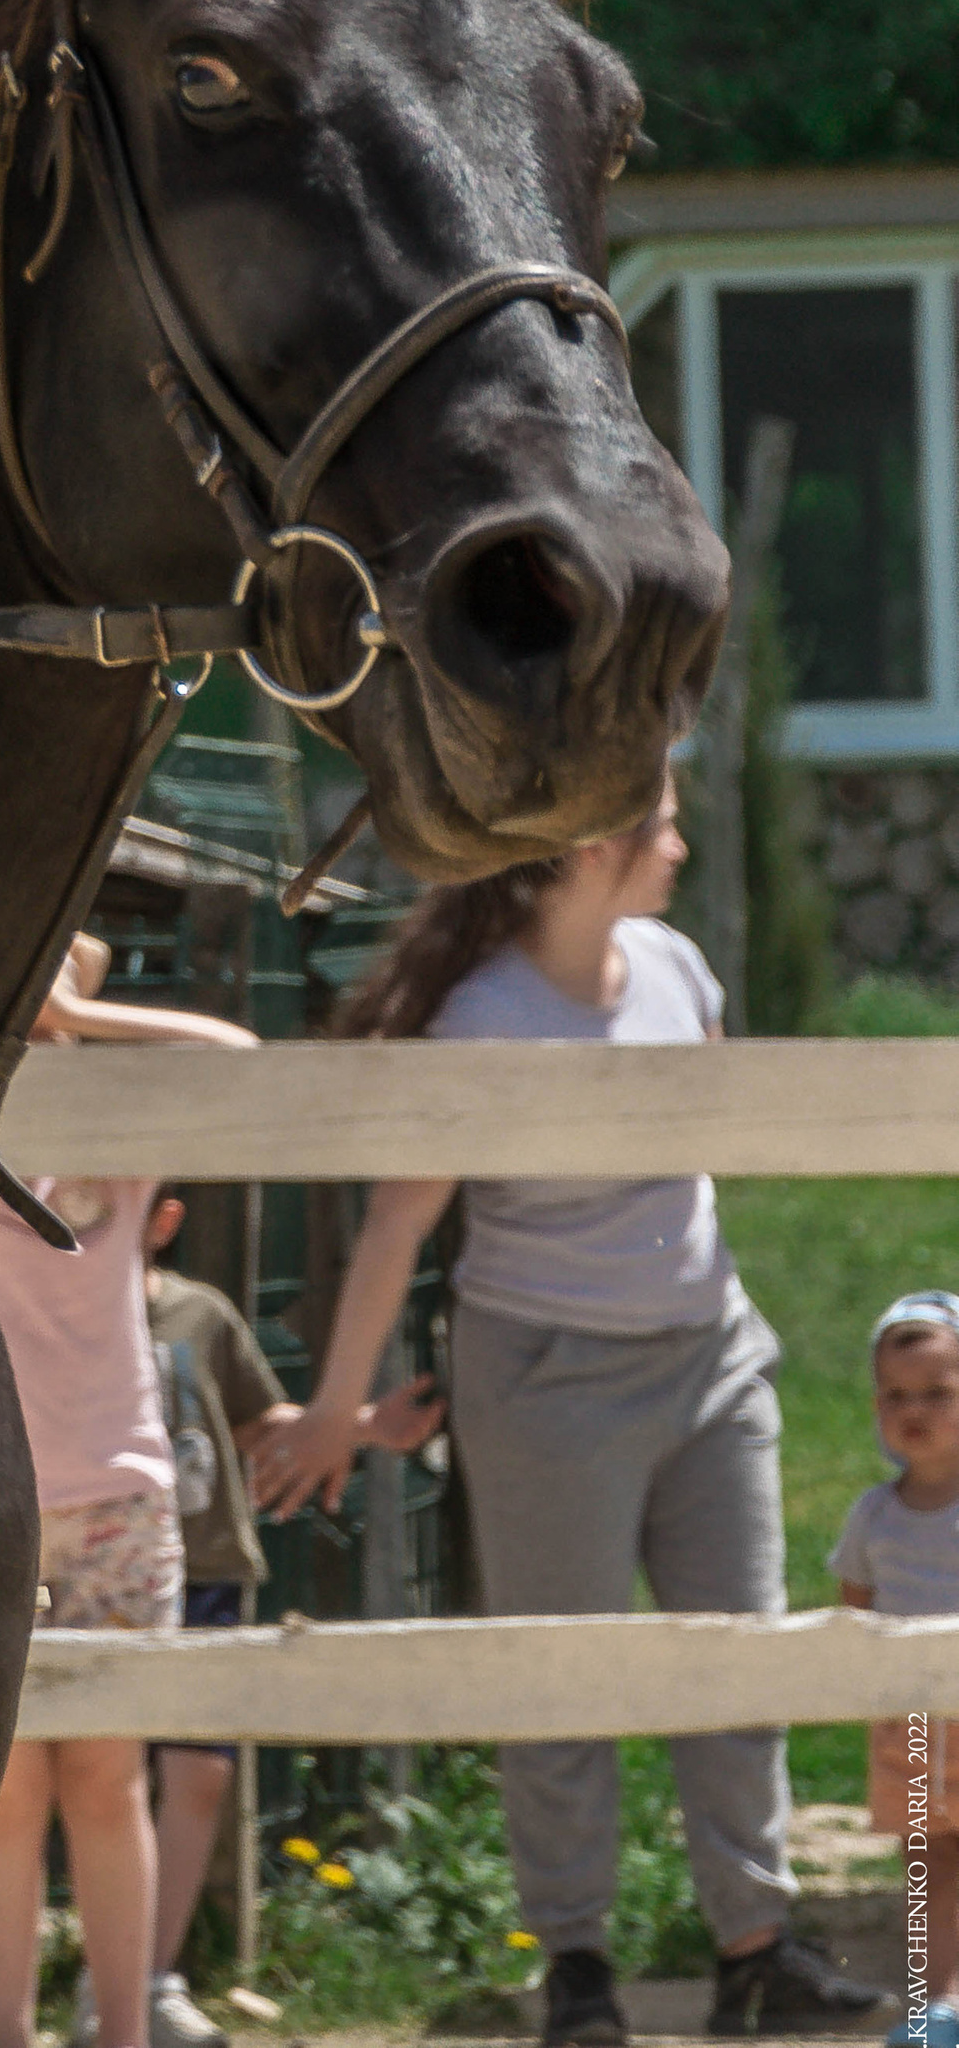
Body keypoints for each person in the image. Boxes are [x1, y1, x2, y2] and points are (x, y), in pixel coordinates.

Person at [254, 777, 884, 2047]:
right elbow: (398, 1222)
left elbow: (725, 1128)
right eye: (660, 825)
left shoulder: (673, 966)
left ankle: (754, 1947)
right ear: (591, 847)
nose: (681, 844)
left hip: (711, 1357)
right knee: (564, 1677)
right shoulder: (479, 1021)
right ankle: (580, 1970)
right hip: (546, 1378)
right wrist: (333, 1410)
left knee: (739, 1654)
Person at [0, 940, 259, 2048]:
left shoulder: (125, 1125)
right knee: (0, 1797)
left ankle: (121, 2033)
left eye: (72, 963)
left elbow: (238, 1056)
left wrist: (85, 1018)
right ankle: (2, 2034)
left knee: (106, 1777)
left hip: (121, 1491)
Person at [137, 1193, 439, 2046]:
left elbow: (250, 1419)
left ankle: (149, 1979)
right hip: (94, 1577)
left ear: (161, 1217)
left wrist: (366, 1425)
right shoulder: (43, 1301)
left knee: (200, 1775)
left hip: (206, 1568)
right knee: (100, 1778)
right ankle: (104, 1979)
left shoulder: (201, 1312)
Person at [831, 1291, 959, 2048]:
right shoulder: (874, 1515)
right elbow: (857, 1611)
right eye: (897, 1394)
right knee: (927, 1856)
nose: (915, 1409)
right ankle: (936, 2004)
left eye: (940, 1393)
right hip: (909, 1722)